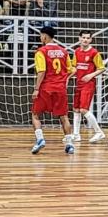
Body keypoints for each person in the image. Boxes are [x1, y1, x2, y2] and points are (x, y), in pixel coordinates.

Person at [30, 26, 75, 155]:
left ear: (45, 36)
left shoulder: (41, 51)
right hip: (60, 89)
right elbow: (71, 70)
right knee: (64, 117)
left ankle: (40, 140)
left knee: (35, 115)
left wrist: (36, 89)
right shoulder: (64, 51)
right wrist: (64, 79)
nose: (40, 38)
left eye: (40, 36)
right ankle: (70, 144)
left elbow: (42, 71)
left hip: (46, 88)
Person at [71, 30, 107, 143]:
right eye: (83, 37)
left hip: (88, 84)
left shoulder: (94, 53)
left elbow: (102, 68)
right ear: (79, 38)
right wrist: (66, 76)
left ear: (91, 40)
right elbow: (74, 68)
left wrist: (90, 75)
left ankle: (99, 132)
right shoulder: (76, 52)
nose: (85, 40)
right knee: (76, 109)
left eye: (88, 38)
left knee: (83, 109)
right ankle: (76, 135)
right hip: (79, 83)